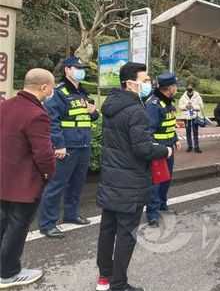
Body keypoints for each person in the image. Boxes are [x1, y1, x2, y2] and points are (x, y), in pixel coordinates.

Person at [96, 62, 172, 291]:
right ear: (130, 83)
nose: (150, 84)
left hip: (111, 178)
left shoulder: (111, 106)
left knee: (107, 229)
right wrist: (165, 150)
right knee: (126, 234)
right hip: (131, 183)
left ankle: (104, 279)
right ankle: (118, 284)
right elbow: (142, 149)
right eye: (146, 79)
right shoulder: (136, 111)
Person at [0, 69, 56, 288]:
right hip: (24, 183)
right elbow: (43, 154)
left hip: (3, 178)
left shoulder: (5, 105)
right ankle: (8, 273)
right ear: (43, 87)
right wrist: (48, 175)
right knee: (17, 227)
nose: (52, 91)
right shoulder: (37, 114)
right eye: (51, 87)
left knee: (3, 224)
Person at [38, 57, 99, 238]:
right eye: (77, 68)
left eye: (83, 68)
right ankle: (48, 223)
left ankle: (71, 215)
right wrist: (59, 145)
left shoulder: (82, 92)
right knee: (56, 185)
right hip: (67, 147)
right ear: (67, 70)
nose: (82, 71)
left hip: (84, 144)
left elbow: (92, 117)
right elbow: (51, 121)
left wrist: (93, 112)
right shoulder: (58, 93)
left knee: (77, 183)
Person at [145, 72, 181, 226]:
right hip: (158, 150)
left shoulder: (168, 102)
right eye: (175, 86)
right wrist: (157, 149)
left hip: (169, 148)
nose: (176, 88)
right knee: (156, 182)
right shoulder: (153, 105)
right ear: (169, 88)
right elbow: (149, 131)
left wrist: (175, 139)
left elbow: (169, 125)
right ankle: (152, 213)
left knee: (166, 179)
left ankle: (162, 204)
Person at [178, 83, 204, 154]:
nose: (189, 89)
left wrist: (193, 107)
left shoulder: (197, 96)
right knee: (188, 132)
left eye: (191, 88)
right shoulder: (183, 97)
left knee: (195, 132)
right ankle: (189, 146)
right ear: (186, 89)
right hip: (186, 117)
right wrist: (186, 106)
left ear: (193, 88)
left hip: (195, 116)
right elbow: (180, 106)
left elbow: (201, 106)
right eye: (188, 87)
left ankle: (196, 147)